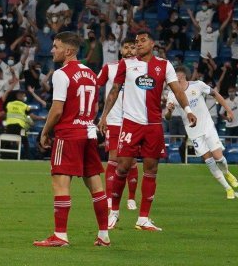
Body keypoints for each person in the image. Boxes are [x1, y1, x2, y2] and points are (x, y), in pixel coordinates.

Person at [98, 31, 197, 231]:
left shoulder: (164, 65)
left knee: (151, 170)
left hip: (153, 126)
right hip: (131, 124)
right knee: (122, 167)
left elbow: (177, 90)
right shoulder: (126, 64)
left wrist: (188, 110)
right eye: (136, 42)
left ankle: (143, 218)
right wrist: (104, 115)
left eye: (143, 41)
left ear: (153, 43)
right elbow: (115, 90)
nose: (138, 44)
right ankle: (114, 212)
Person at [34, 32, 110, 247]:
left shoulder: (61, 74)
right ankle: (104, 235)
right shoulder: (90, 74)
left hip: (68, 134)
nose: (52, 50)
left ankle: (60, 235)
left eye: (56, 47)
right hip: (88, 132)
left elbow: (57, 110)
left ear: (68, 51)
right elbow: (95, 106)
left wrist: (45, 131)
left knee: (60, 182)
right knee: (95, 185)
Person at [165, 68, 238, 199]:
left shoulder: (197, 85)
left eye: (179, 75)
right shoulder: (172, 94)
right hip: (193, 132)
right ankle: (228, 188)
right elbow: (167, 117)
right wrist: (169, 111)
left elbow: (215, 94)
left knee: (219, 158)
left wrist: (228, 110)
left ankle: (226, 172)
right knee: (209, 161)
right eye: (175, 76)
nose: (177, 77)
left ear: (184, 76)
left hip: (207, 127)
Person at [97, 39, 139, 220]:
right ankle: (108, 198)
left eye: (132, 47)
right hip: (114, 119)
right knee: (113, 159)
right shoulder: (110, 67)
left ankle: (131, 197)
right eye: (126, 47)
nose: (129, 50)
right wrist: (103, 116)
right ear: (121, 50)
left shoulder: (142, 68)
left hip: (133, 119)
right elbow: (96, 84)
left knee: (131, 161)